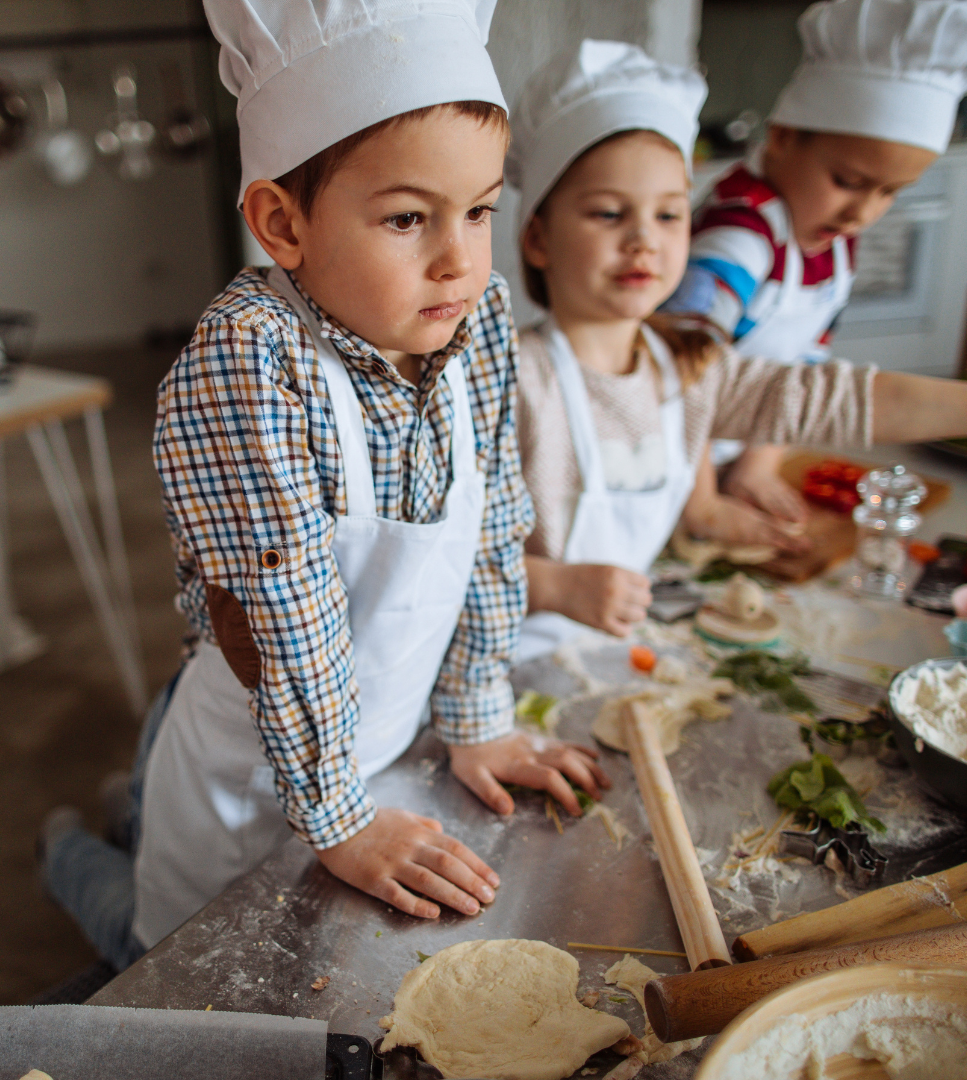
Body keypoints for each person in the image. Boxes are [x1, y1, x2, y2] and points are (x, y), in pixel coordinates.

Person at [39, 0, 608, 970]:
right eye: (406, 218)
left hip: (372, 750)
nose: (459, 259)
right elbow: (286, 612)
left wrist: (477, 719)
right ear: (282, 222)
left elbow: (491, 529)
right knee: (159, 949)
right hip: (250, 769)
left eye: (479, 210)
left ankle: (115, 807)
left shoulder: (473, 321)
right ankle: (64, 848)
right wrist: (341, 820)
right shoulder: (252, 360)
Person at [509, 38, 967, 662]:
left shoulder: (687, 368)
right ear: (538, 237)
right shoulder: (513, 379)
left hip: (602, 653)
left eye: (670, 216)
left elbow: (851, 399)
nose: (644, 240)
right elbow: (446, 561)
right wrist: (555, 584)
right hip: (496, 669)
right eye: (608, 213)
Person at [665, 0, 967, 528]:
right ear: (782, 137)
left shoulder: (831, 241)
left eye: (890, 192)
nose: (862, 212)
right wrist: (705, 506)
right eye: (848, 182)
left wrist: (758, 466)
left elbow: (804, 364)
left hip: (723, 458)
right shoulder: (740, 234)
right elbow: (674, 378)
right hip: (671, 468)